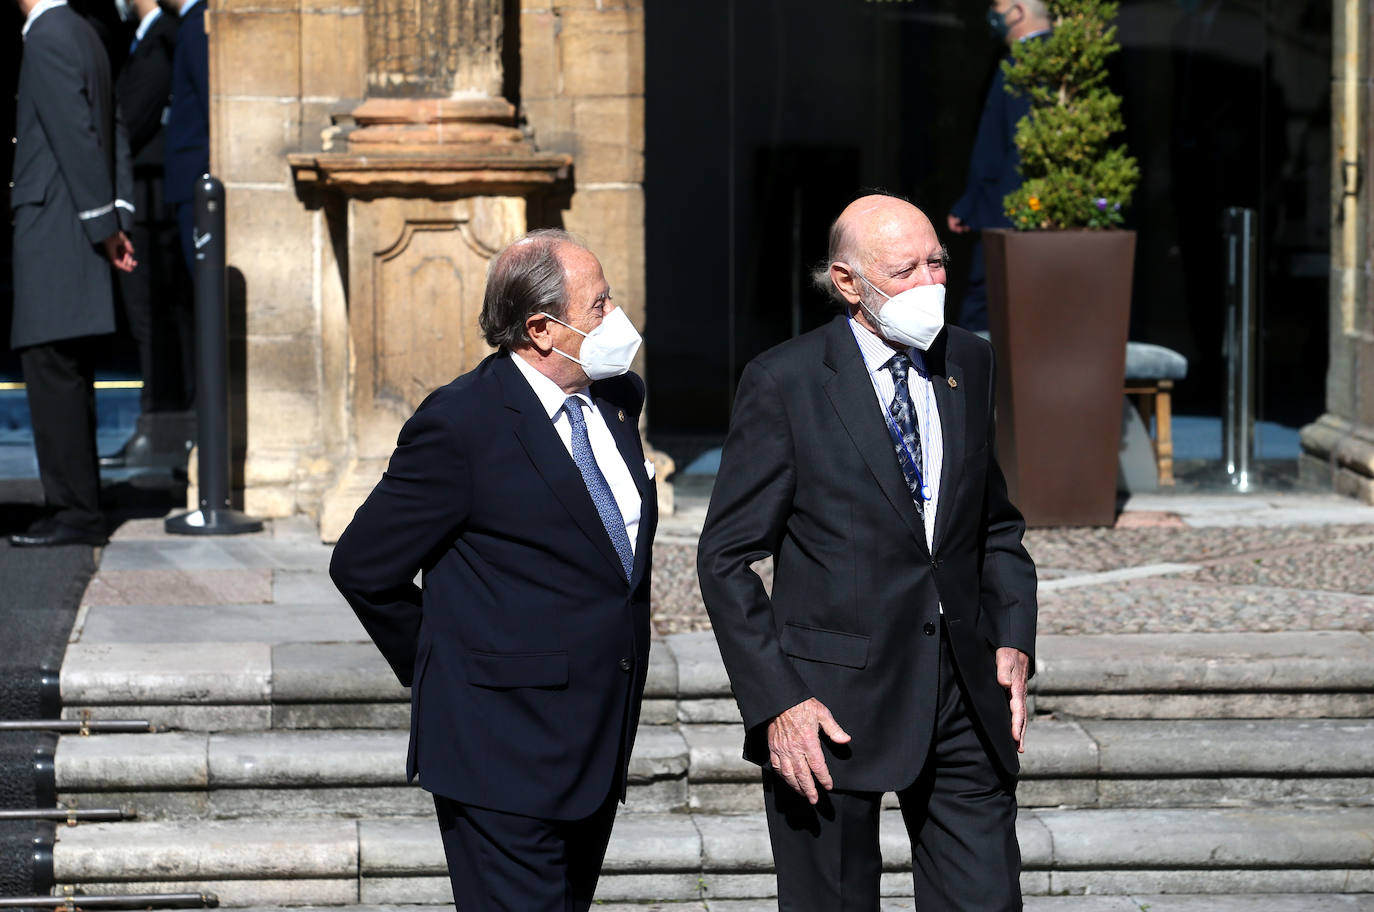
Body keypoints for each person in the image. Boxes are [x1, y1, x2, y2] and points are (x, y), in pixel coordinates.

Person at [697, 194, 1038, 910]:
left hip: (962, 694)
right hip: (829, 706)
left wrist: (1013, 638)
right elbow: (726, 557)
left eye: (937, 263)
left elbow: (993, 524)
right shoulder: (784, 381)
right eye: (905, 269)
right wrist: (776, 702)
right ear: (849, 282)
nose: (930, 284)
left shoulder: (969, 362)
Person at [330, 229, 658, 911]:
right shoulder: (461, 424)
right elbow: (364, 567)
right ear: (541, 328)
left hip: (597, 739)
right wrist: (448, 667)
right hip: (498, 751)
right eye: (598, 305)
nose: (615, 318)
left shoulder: (619, 398)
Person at [8, 0, 136, 548]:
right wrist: (117, 218)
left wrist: (101, 224)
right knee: (66, 370)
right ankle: (77, 504)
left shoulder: (47, 34)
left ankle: (75, 512)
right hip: (76, 221)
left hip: (56, 226)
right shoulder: (83, 32)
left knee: (51, 369)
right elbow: (116, 131)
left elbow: (78, 137)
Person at [102, 0, 192, 468]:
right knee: (154, 322)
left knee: (154, 321)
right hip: (147, 200)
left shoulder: (163, 36)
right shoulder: (151, 38)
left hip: (150, 204)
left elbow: (131, 118)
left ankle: (164, 426)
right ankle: (161, 425)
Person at [947, 0, 1053, 333]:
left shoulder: (1031, 61)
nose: (991, 14)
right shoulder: (1031, 58)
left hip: (1010, 215)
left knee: (985, 309)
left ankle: (965, 384)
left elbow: (1016, 147)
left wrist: (989, 206)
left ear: (1017, 11)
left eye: (997, 5)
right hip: (1005, 210)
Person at [164, 0, 206, 271]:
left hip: (198, 174)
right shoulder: (192, 22)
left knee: (206, 286)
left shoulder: (197, 23)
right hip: (194, 175)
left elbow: (209, 95)